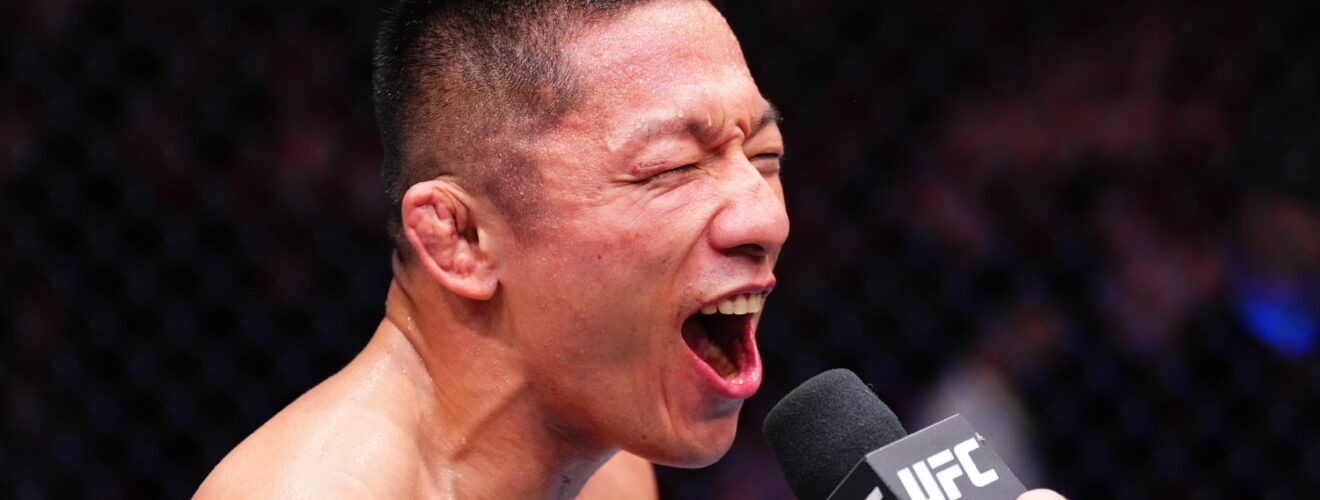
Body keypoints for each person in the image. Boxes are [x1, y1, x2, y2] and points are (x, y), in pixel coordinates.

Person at [196, 0, 788, 497]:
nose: (767, 218)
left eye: (764, 156)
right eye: (674, 167)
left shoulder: (608, 472)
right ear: (460, 238)